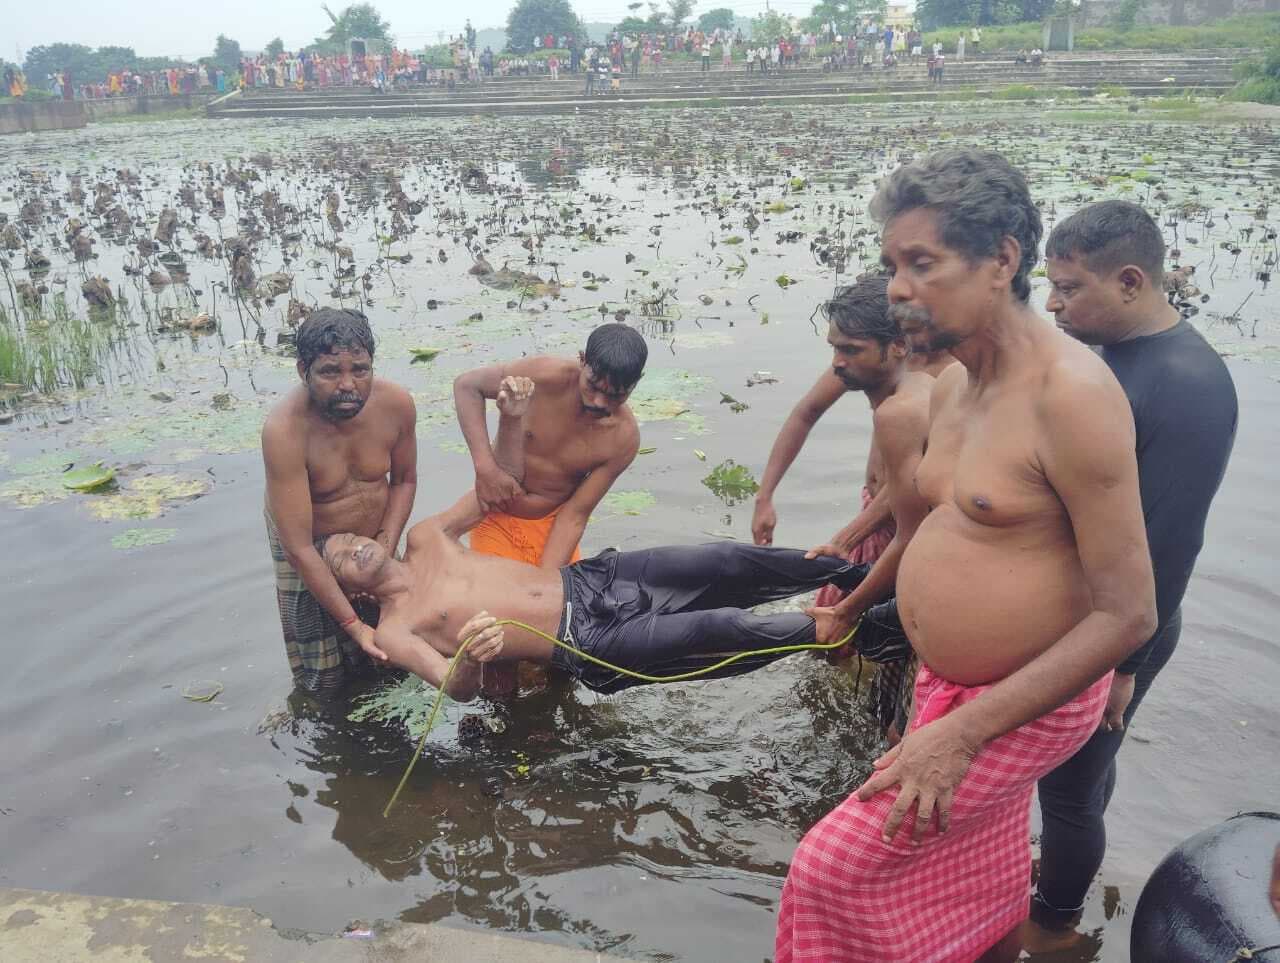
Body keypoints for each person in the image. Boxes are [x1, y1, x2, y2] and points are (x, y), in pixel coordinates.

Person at [776, 149, 1157, 962]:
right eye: (891, 265)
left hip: (1025, 703)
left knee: (829, 867)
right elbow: (926, 535)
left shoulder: (1073, 397)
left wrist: (959, 735)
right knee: (975, 867)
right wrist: (852, 604)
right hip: (950, 684)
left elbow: (1128, 612)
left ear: (1002, 261)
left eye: (922, 263)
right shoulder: (951, 388)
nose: (899, 288)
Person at [1022, 200, 1238, 950]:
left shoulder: (1188, 385)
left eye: (1070, 287)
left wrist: (1124, 664)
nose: (1052, 302)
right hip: (1098, 614)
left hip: (1126, 623)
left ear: (1131, 281)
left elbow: (1172, 540)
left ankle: (1053, 927)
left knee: (1070, 789)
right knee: (1083, 773)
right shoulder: (1116, 356)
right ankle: (1056, 880)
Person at [323, 506, 875, 701]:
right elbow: (455, 689)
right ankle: (835, 631)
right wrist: (470, 658)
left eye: (351, 539)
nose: (354, 548)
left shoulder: (425, 536)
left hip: (594, 578)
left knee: (724, 562)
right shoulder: (395, 630)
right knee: (721, 627)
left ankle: (865, 576)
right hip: (584, 642)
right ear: (352, 590)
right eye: (342, 558)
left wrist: (511, 412)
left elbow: (497, 489)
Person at [750, 276, 935, 733]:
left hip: (909, 531)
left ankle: (883, 718)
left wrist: (849, 535)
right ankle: (856, 701)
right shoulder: (859, 370)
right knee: (826, 637)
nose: (838, 361)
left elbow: (908, 494)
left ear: (897, 346)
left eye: (850, 349)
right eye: (835, 347)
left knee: (886, 638)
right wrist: (765, 496)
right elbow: (804, 413)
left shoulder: (921, 396)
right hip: (875, 512)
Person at [262, 309, 417, 697]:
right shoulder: (284, 431)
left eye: (360, 370)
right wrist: (353, 624)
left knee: (395, 660)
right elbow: (297, 548)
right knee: (323, 679)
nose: (348, 384)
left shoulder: (396, 404)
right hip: (309, 547)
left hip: (373, 540)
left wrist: (384, 546)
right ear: (303, 370)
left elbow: (404, 480)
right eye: (330, 372)